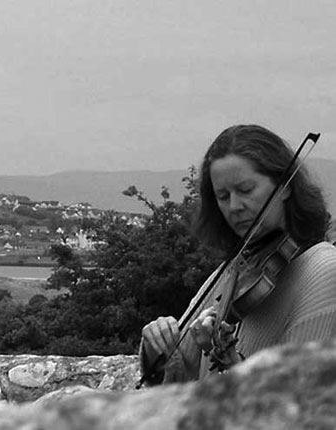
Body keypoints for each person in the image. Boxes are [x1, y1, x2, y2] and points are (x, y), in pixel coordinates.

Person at [139, 124, 336, 384]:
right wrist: (157, 347)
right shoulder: (236, 269)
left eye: (245, 190)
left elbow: (298, 398)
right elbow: (179, 377)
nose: (234, 207)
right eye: (222, 196)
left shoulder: (323, 269)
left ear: (285, 186)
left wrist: (230, 361)